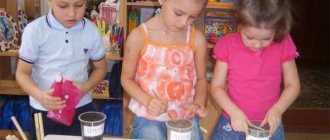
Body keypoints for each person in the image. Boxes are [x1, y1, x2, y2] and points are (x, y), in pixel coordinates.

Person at [15, 0, 107, 139]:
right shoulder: (35, 30)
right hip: (45, 109)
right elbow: (22, 73)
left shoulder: (91, 30)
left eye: (79, 5)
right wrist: (40, 96)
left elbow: (101, 68)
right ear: (50, 1)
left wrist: (84, 88)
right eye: (63, 6)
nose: (72, 13)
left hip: (80, 107)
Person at [210, 0, 300, 139]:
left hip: (268, 124)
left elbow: (293, 85)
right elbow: (216, 86)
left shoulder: (283, 43)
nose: (257, 44)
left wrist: (277, 110)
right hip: (232, 120)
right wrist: (234, 112)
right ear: (239, 23)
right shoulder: (227, 45)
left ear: (278, 29)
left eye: (266, 38)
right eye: (249, 37)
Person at [121, 0, 208, 139]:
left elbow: (202, 79)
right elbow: (126, 79)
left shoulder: (197, 39)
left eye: (192, 17)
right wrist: (148, 101)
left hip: (185, 119)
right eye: (178, 13)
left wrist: (198, 102)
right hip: (149, 118)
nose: (184, 22)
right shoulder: (139, 37)